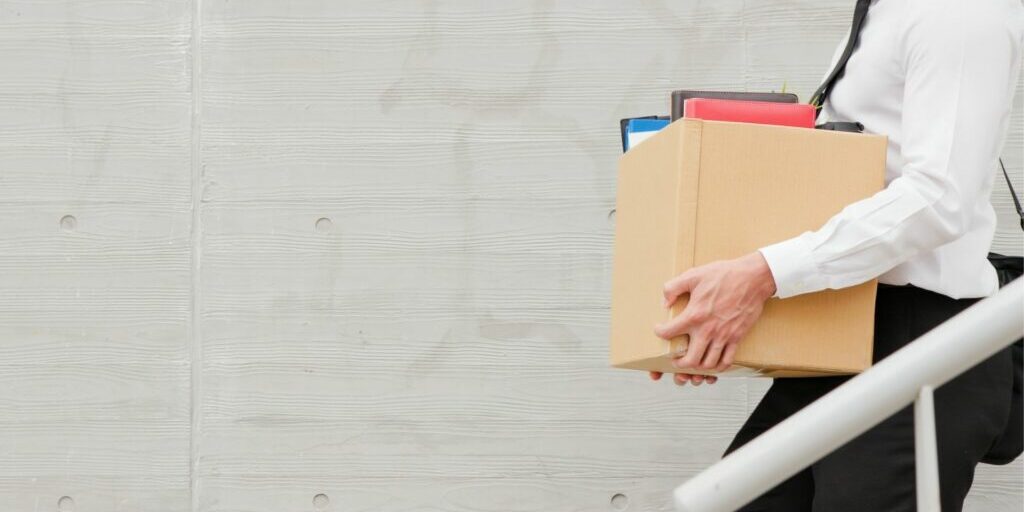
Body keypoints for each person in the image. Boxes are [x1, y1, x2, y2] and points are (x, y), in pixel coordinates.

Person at [648, 0, 1024, 510]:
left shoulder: (955, 12)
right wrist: (721, 311)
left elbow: (940, 200)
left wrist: (762, 274)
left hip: (920, 343)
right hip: (846, 330)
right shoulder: (889, 10)